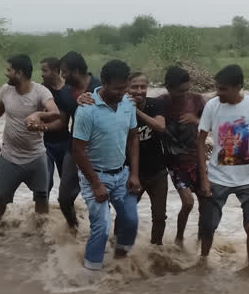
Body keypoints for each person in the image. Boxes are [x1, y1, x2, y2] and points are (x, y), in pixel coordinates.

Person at [72, 59, 141, 271]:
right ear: (103, 82)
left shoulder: (128, 104)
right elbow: (77, 150)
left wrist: (134, 174)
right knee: (101, 228)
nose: (121, 92)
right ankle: (91, 274)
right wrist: (95, 184)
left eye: (124, 88)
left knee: (130, 220)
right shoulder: (86, 109)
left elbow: (133, 138)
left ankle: (120, 261)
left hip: (122, 174)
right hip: (95, 175)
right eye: (116, 88)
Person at [196, 64, 249, 265]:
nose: (219, 93)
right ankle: (203, 262)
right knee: (208, 226)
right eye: (217, 88)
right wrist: (204, 178)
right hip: (218, 177)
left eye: (224, 89)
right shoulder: (212, 106)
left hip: (248, 178)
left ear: (238, 87)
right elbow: (200, 141)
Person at [0, 55, 61, 218]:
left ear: (19, 73)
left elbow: (55, 113)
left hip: (36, 156)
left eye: (9, 70)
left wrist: (38, 114)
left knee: (41, 198)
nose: (6, 73)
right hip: (9, 157)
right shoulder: (5, 90)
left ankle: (40, 231)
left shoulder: (41, 91)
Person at [117, 72, 168, 245]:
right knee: (124, 214)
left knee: (160, 216)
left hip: (157, 171)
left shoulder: (156, 104)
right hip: (130, 172)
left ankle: (156, 251)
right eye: (134, 87)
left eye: (143, 87)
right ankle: (117, 246)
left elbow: (160, 127)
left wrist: (136, 111)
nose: (139, 91)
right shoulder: (119, 108)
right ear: (126, 89)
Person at [51, 51, 101, 230]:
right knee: (64, 198)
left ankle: (101, 235)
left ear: (77, 70)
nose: (62, 76)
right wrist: (41, 124)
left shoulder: (100, 87)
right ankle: (73, 228)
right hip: (75, 149)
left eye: (64, 71)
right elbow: (62, 122)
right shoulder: (64, 93)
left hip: (101, 150)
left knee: (100, 196)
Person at [161, 66, 206, 246]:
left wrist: (197, 121)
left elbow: (215, 125)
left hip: (197, 159)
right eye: (180, 92)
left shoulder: (197, 101)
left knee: (205, 203)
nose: (184, 94)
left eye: (187, 89)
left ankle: (201, 241)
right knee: (188, 202)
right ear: (168, 88)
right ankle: (179, 238)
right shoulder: (161, 102)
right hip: (175, 163)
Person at [40, 57, 71, 194]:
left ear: (55, 71)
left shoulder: (67, 92)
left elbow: (62, 123)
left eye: (44, 70)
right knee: (44, 182)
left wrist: (40, 127)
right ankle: (41, 213)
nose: (41, 73)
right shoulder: (43, 89)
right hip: (44, 143)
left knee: (67, 184)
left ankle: (69, 211)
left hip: (63, 143)